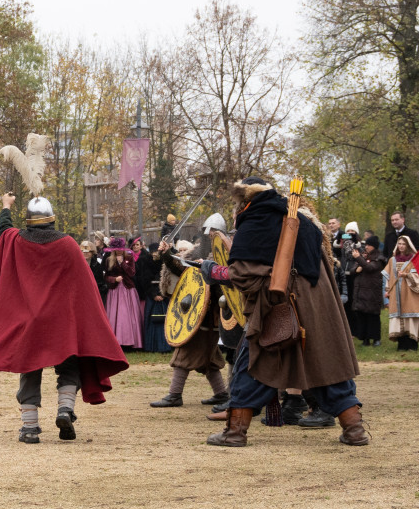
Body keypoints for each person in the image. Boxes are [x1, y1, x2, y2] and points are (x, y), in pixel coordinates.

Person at [203, 176, 368, 447]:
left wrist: (213, 271)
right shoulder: (304, 222)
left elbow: (244, 275)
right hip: (317, 309)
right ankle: (354, 429)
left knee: (253, 365)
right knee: (327, 365)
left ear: (246, 201)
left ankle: (234, 432)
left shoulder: (257, 221)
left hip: (278, 307)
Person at [0, 190, 128, 444]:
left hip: (29, 319)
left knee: (29, 366)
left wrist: (6, 205)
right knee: (70, 364)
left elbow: (3, 231)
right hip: (62, 320)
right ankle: (65, 409)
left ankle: (29, 428)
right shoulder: (68, 244)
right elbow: (84, 286)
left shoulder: (17, 240)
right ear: (52, 220)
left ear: (28, 222)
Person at [150, 227, 228, 408]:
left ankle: (175, 395)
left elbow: (220, 288)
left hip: (206, 317)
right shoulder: (196, 254)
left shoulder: (223, 258)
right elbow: (181, 270)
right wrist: (167, 254)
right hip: (197, 316)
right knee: (210, 359)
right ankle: (221, 394)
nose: (208, 236)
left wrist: (208, 267)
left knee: (183, 354)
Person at [103, 237, 142, 349]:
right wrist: (114, 279)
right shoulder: (108, 260)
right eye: (117, 249)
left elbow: (132, 273)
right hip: (115, 291)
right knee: (116, 315)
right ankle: (116, 342)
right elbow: (106, 276)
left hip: (128, 290)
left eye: (121, 249)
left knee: (128, 316)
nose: (119, 251)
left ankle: (130, 341)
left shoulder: (129, 258)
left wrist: (122, 263)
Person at [385, 235, 419, 351]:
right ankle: (401, 344)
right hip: (396, 294)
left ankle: (412, 345)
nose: (401, 246)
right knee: (399, 317)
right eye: (399, 244)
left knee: (409, 317)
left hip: (409, 294)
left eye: (403, 244)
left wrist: (407, 275)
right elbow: (387, 277)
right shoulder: (392, 260)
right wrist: (387, 291)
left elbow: (417, 276)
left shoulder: (414, 259)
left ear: (408, 245)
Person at [353, 235, 386, 346]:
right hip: (361, 291)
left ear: (374, 246)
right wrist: (360, 261)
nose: (366, 247)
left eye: (368, 245)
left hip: (372, 291)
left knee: (373, 316)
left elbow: (370, 268)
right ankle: (365, 339)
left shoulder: (379, 258)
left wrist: (359, 259)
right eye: (365, 244)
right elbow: (353, 270)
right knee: (362, 315)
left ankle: (376, 339)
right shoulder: (364, 256)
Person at [139, 241, 170, 353]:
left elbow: (168, 278)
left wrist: (162, 293)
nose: (154, 254)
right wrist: (153, 295)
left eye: (156, 251)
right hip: (151, 295)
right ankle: (151, 346)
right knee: (152, 320)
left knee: (165, 319)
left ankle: (166, 345)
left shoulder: (166, 261)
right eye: (152, 252)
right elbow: (144, 280)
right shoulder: (145, 261)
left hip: (164, 295)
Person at [81, 240, 107, 306]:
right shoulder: (76, 265)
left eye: (88, 251)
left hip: (94, 295)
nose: (85, 253)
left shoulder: (97, 266)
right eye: (83, 251)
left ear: (92, 253)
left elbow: (100, 283)